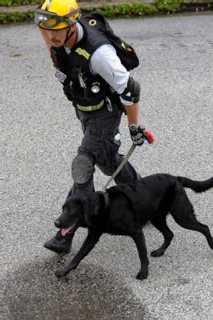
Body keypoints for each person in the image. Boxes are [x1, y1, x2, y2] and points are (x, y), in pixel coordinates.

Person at [35, 0, 151, 254]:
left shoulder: (100, 54)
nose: (50, 35)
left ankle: (66, 233)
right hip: (84, 110)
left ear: (72, 24)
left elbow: (131, 89)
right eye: (45, 28)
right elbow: (53, 39)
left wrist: (133, 127)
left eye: (56, 29)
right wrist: (52, 41)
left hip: (105, 114)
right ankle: (145, 200)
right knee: (108, 159)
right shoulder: (57, 35)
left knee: (83, 165)